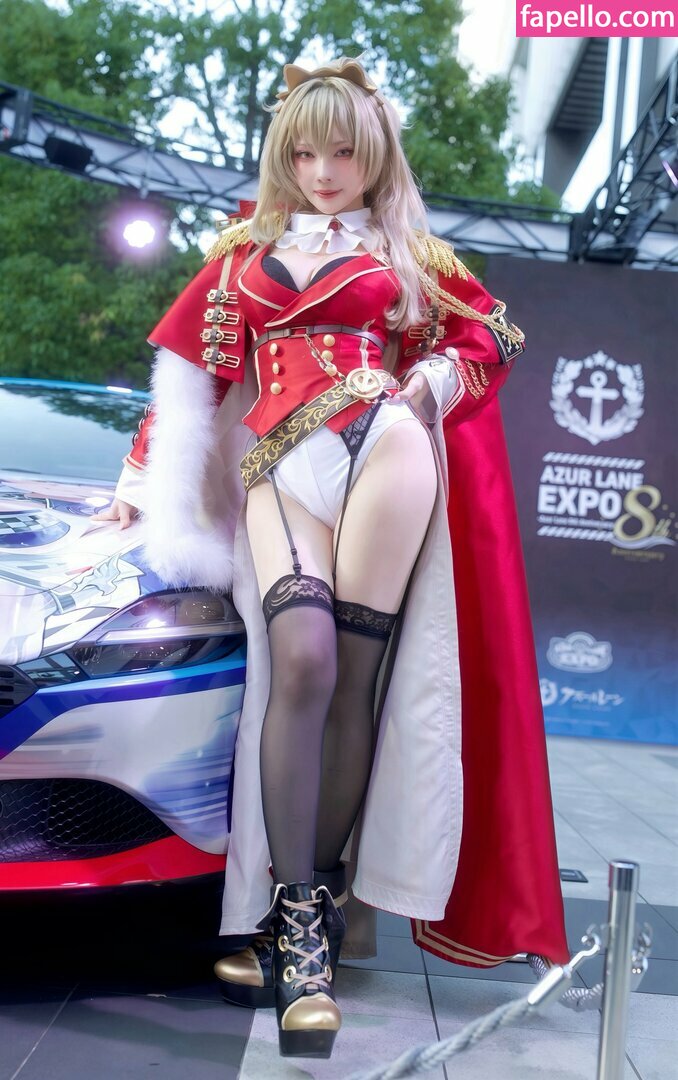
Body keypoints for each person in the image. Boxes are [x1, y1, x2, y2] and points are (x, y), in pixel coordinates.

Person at [95, 57, 568, 1059]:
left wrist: (430, 382)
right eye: (305, 152)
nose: (322, 171)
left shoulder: (409, 250)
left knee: (354, 681)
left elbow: (495, 335)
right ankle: (294, 908)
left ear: (374, 151)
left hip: (386, 450)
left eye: (343, 151)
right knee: (302, 661)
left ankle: (309, 927)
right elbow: (188, 378)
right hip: (278, 466)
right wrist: (140, 482)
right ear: (285, 153)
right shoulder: (241, 253)